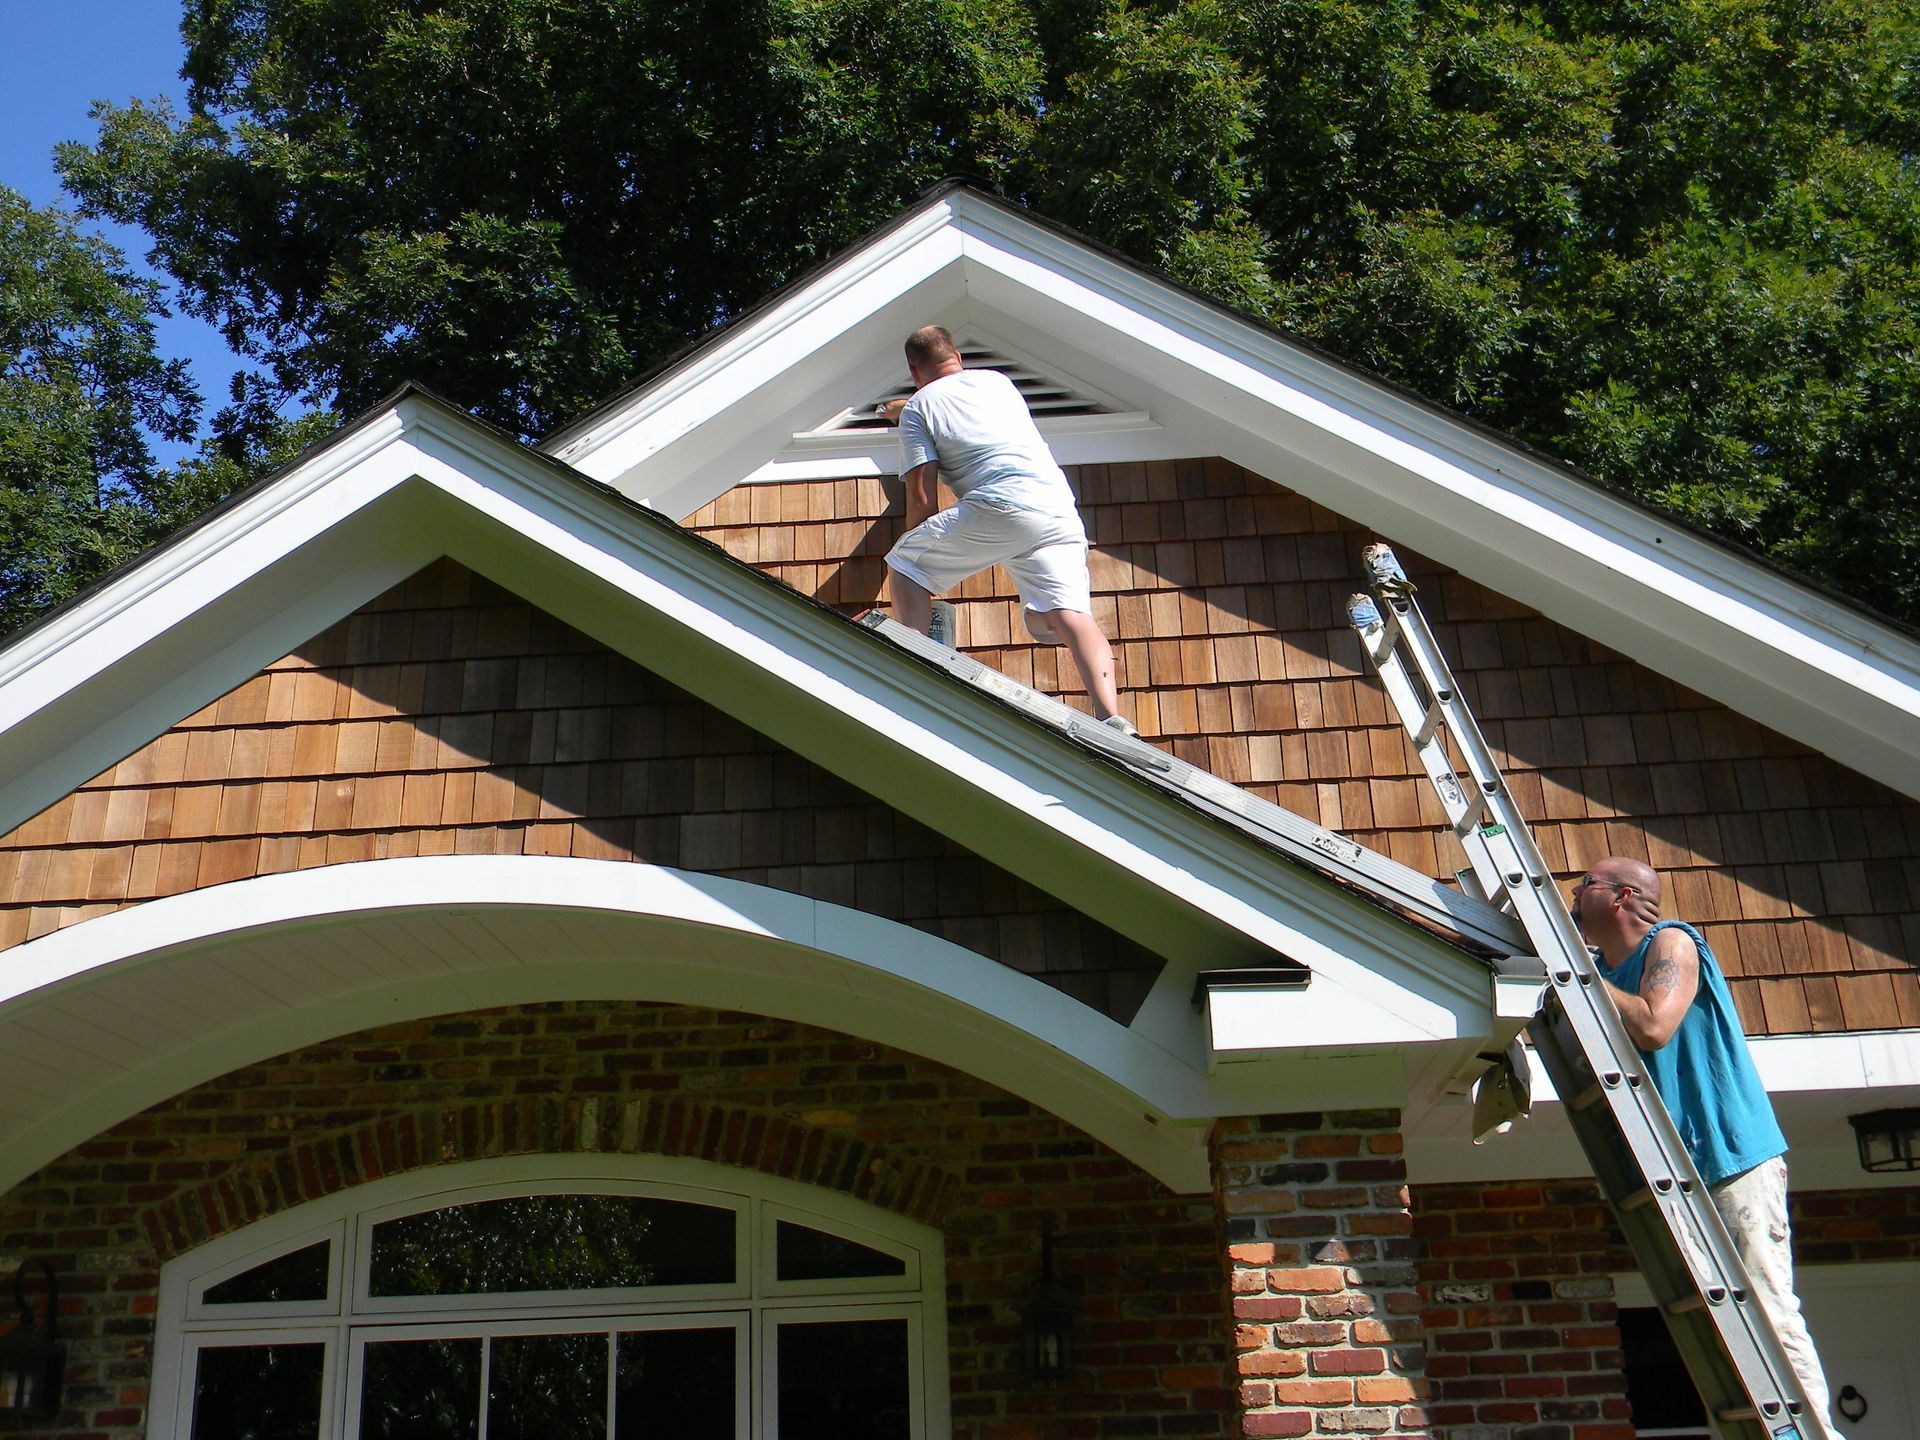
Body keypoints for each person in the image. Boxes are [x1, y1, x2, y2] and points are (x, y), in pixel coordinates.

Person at [1573, 856, 1841, 1438]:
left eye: (1585, 882)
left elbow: (1653, 1025)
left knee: (1766, 1305)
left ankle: (1811, 1434)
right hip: (1679, 1168)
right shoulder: (1601, 973)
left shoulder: (1670, 944)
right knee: (1719, 1322)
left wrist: (1576, 978)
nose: (1573, 891)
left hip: (1732, 1153)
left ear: (1621, 897)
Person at [878, 325, 1133, 734]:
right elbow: (959, 405)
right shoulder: (998, 383)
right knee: (1071, 614)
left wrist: (916, 545)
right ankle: (1112, 717)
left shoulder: (918, 410)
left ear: (913, 370)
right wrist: (907, 407)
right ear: (957, 356)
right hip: (1056, 508)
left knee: (906, 564)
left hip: (1003, 504)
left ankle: (914, 671)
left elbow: (923, 498)